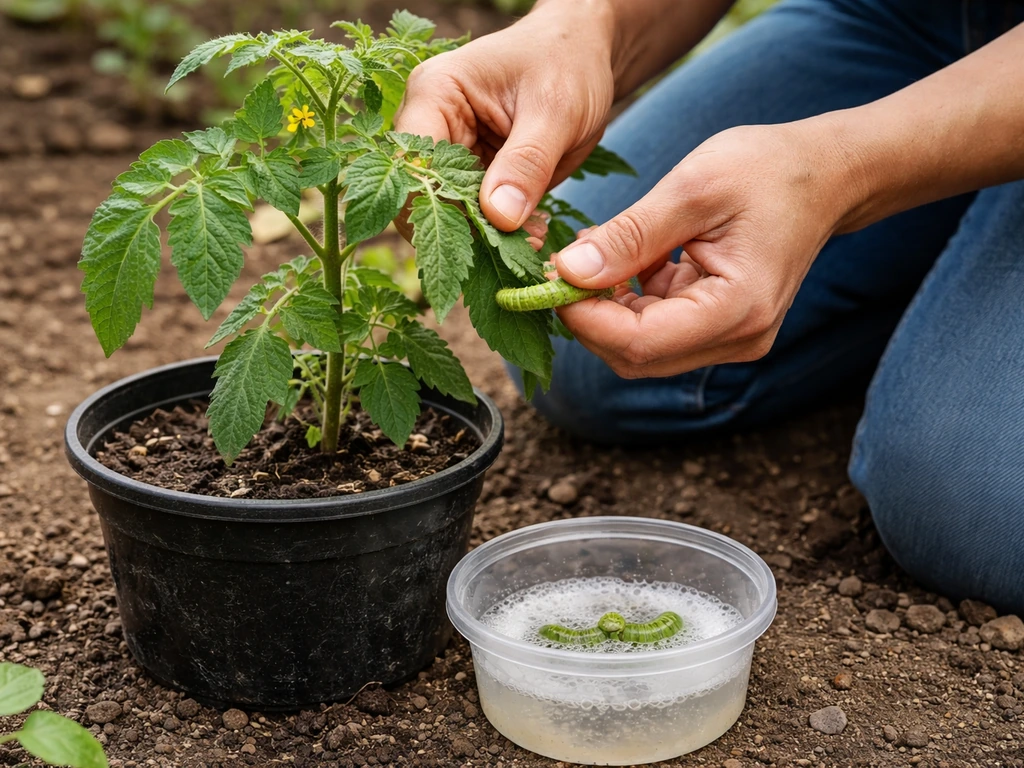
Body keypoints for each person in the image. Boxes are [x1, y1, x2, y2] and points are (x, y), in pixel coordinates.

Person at [394, 0, 1024, 614]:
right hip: (905, 15)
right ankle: (929, 271)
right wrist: (584, 23)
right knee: (582, 357)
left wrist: (840, 173)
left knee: (967, 509)